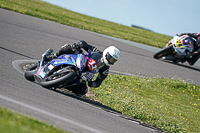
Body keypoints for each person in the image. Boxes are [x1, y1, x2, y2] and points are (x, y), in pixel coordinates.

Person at [44, 40, 120, 96]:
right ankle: (52, 57)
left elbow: (100, 80)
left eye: (113, 60)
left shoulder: (105, 68)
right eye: (110, 58)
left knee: (83, 91)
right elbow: (85, 45)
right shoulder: (97, 52)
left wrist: (93, 83)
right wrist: (79, 45)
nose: (110, 61)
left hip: (83, 75)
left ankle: (62, 83)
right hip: (79, 61)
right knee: (68, 48)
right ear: (106, 53)